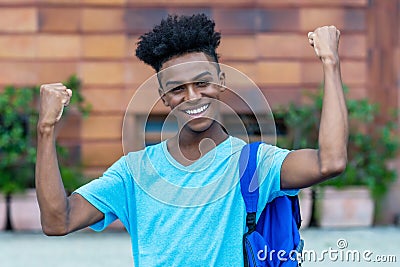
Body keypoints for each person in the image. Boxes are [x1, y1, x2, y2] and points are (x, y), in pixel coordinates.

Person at [35, 14, 348, 266]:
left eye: (202, 83)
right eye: (177, 89)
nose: (192, 96)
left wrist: (330, 63)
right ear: (163, 97)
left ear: (221, 82)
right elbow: (57, 221)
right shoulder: (135, 172)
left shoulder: (254, 165)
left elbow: (330, 162)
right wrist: (46, 130)